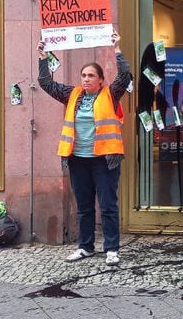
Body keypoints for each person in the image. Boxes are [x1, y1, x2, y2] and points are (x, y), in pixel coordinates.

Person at [37, 33, 132, 266]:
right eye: (84, 75)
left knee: (108, 205)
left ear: (101, 79)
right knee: (84, 205)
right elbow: (46, 84)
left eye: (91, 76)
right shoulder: (73, 94)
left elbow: (125, 76)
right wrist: (42, 58)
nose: (86, 79)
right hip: (78, 159)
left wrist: (117, 48)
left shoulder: (110, 94)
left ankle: (111, 249)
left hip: (104, 159)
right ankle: (85, 247)